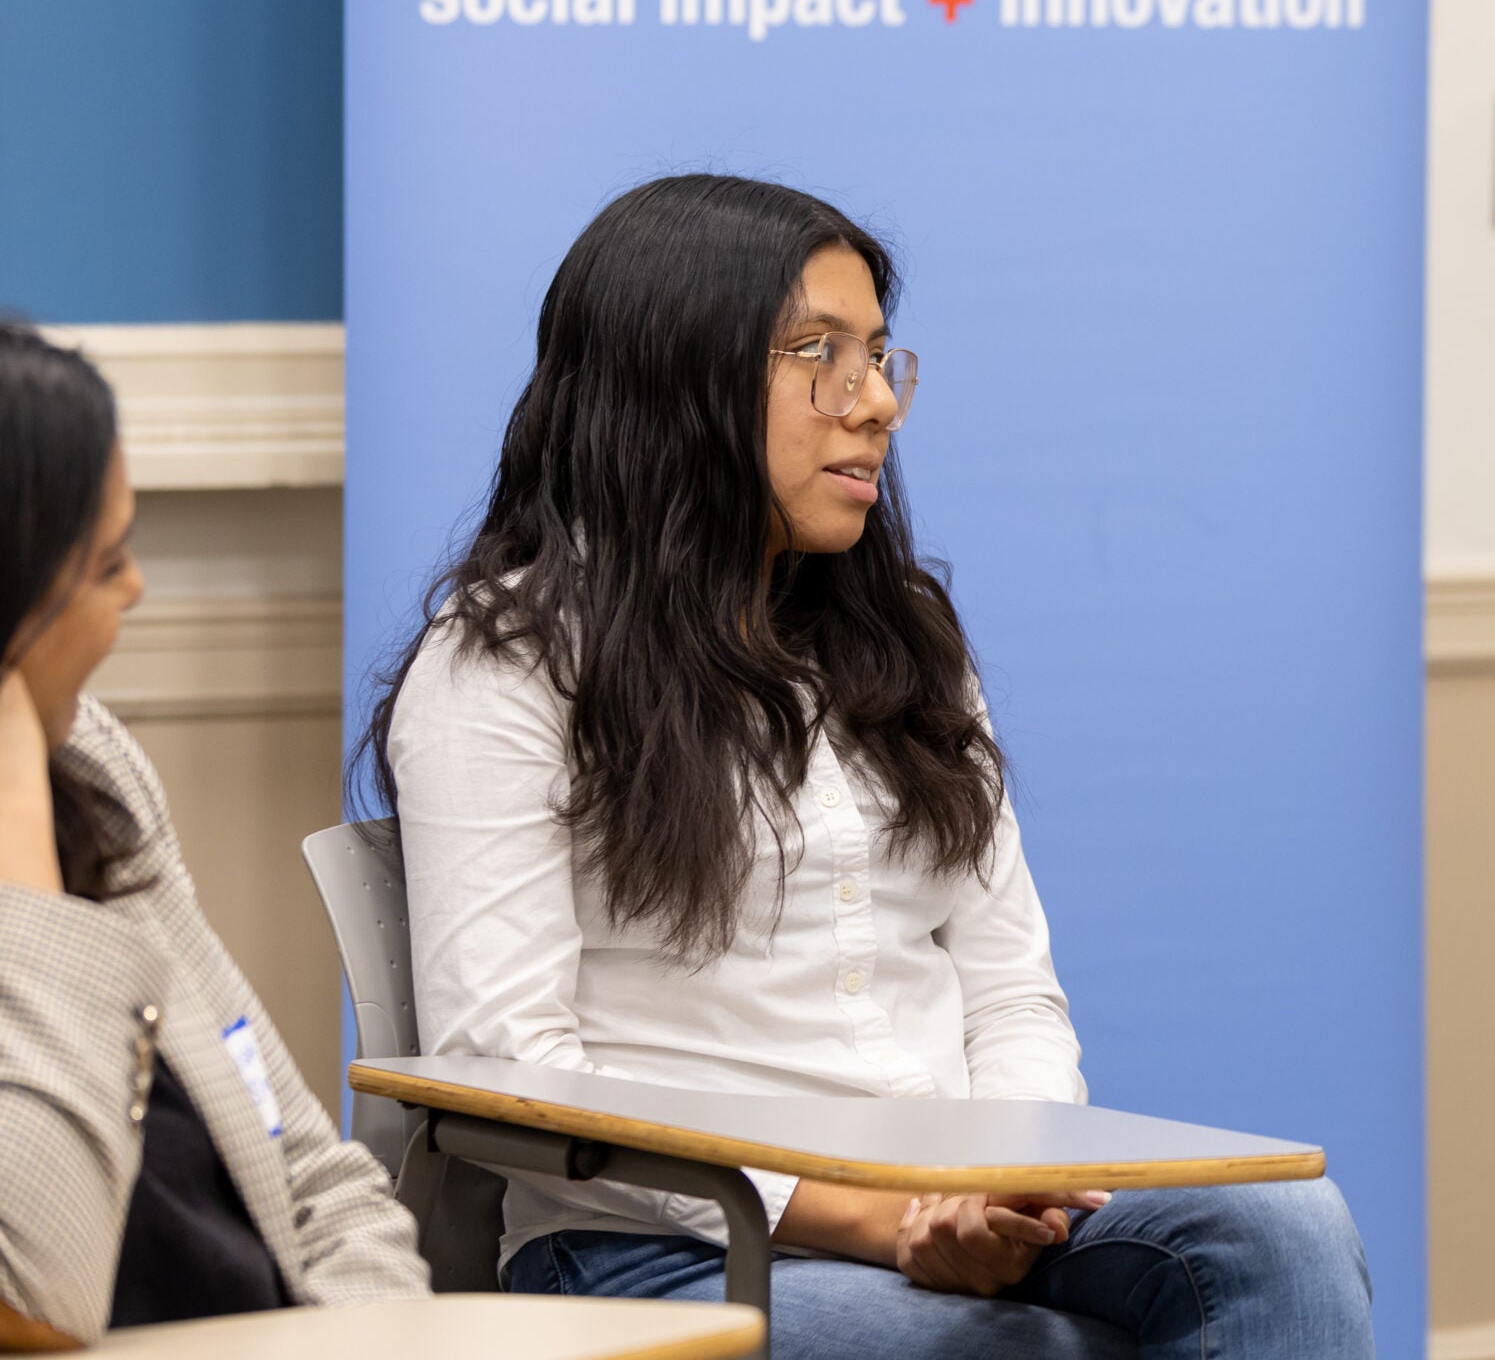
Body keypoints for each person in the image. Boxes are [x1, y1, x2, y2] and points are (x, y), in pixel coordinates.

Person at [372, 174, 1372, 1360]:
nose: (875, 405)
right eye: (818, 355)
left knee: (1288, 1224)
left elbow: (1008, 990)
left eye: (881, 358)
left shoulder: (904, 637)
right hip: (662, 1249)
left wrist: (1004, 1181)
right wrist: (878, 1218)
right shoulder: (509, 662)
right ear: (673, 376)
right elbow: (508, 1072)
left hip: (956, 1196)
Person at [0, 324, 428, 1343]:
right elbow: (38, 1287)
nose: (138, 589)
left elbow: (318, 1178)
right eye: (106, 562)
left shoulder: (90, 775)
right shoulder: (36, 801)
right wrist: (18, 839)